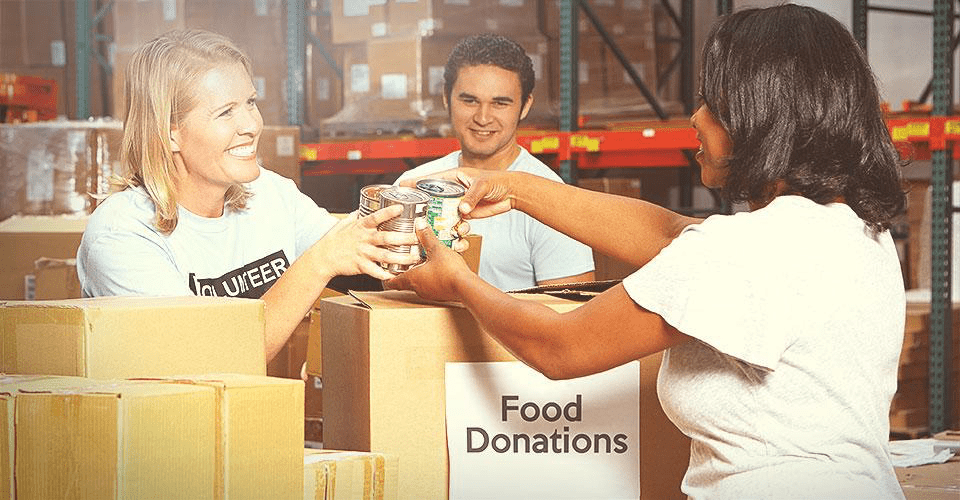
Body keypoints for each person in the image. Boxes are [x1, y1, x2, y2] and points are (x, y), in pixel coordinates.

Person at [388, 5, 908, 499]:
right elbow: (671, 237)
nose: (695, 119)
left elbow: (562, 348)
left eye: (714, 103)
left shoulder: (745, 251)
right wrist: (513, 187)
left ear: (763, 115)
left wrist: (455, 281)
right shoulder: (852, 229)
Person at [77, 29, 422, 362]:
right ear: (170, 134)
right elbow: (207, 365)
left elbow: (376, 265)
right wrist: (318, 262)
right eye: (226, 111)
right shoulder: (122, 234)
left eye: (250, 103)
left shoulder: (270, 195)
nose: (252, 125)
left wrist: (427, 210)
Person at [394, 33, 595, 291]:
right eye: (469, 100)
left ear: (525, 106)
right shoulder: (412, 187)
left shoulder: (551, 199)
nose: (483, 117)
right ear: (446, 97)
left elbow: (571, 314)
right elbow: (389, 295)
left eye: (500, 103)